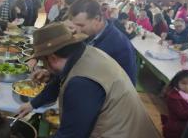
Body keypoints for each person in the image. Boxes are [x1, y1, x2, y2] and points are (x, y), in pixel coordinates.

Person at [18, 23, 158, 138]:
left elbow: (71, 134)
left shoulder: (80, 83)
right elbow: (59, 81)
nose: (45, 68)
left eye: (44, 61)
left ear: (53, 58)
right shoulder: (85, 53)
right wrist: (33, 104)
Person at [67, 0, 137, 85]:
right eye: (74, 25)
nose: (77, 30)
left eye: (81, 25)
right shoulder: (87, 35)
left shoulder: (121, 47)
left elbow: (128, 86)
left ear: (97, 19)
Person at [162, 70, 188, 138]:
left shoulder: (187, 95)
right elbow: (181, 115)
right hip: (175, 130)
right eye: (183, 83)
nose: (187, 87)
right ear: (177, 82)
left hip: (183, 127)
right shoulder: (173, 97)